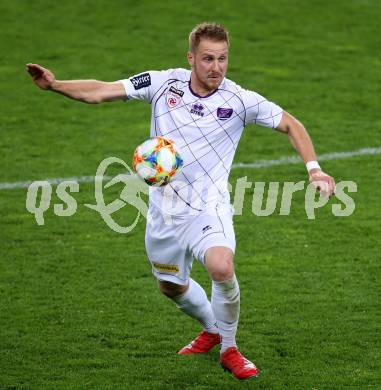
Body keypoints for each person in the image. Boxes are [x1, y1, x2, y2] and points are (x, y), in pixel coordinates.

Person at [26, 22, 335, 381]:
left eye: (222, 59)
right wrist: (55, 85)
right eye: (207, 59)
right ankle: (212, 327)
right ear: (191, 58)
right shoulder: (162, 84)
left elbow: (291, 124)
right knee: (170, 286)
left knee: (221, 267)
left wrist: (314, 170)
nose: (216, 67)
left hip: (209, 206)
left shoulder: (239, 101)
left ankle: (230, 348)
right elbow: (101, 91)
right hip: (164, 209)